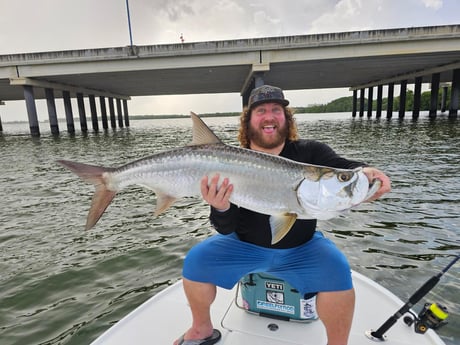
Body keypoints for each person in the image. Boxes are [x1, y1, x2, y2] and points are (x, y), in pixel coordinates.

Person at [174, 85, 391, 345]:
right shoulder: (226, 161)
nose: (269, 116)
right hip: (243, 246)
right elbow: (224, 228)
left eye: (277, 110)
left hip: (303, 248)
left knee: (337, 268)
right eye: (261, 111)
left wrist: (368, 172)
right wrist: (220, 206)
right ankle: (201, 329)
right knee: (197, 260)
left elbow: (346, 168)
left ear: (286, 119)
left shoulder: (311, 153)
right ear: (248, 121)